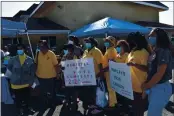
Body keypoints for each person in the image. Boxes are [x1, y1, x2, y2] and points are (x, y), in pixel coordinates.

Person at [142, 28, 173, 116]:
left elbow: (160, 73)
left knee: (153, 114)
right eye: (149, 35)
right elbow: (151, 70)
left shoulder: (163, 51)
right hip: (154, 86)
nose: (149, 37)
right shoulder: (155, 51)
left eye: (152, 35)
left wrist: (147, 85)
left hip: (160, 87)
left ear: (160, 37)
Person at [7, 44, 36, 116]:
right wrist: (11, 79)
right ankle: (19, 110)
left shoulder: (29, 59)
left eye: (21, 49)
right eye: (18, 49)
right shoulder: (12, 59)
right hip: (16, 84)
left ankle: (28, 108)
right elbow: (9, 70)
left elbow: (32, 72)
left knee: (27, 97)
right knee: (18, 99)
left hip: (26, 83)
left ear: (24, 49)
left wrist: (31, 81)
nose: (19, 50)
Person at [126, 32, 149, 116]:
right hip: (132, 85)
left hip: (141, 86)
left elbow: (146, 69)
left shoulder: (144, 52)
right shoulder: (132, 51)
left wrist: (134, 64)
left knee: (139, 109)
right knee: (135, 108)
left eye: (131, 41)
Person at [80, 37, 104, 115]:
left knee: (96, 92)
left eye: (88, 42)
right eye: (86, 42)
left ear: (93, 43)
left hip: (95, 76)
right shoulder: (86, 51)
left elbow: (100, 64)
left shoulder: (97, 51)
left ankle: (97, 108)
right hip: (87, 76)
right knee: (89, 92)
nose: (86, 44)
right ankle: (92, 105)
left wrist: (100, 75)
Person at [36, 40, 60, 116]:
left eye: (42, 46)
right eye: (39, 46)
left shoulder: (51, 54)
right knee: (42, 93)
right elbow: (36, 64)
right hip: (40, 76)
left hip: (50, 77)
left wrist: (58, 74)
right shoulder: (37, 53)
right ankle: (43, 105)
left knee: (51, 93)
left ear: (46, 46)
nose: (40, 48)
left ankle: (51, 105)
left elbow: (56, 65)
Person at [102, 36, 118, 108]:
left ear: (111, 42)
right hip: (107, 72)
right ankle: (112, 102)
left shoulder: (111, 50)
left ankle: (112, 104)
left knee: (111, 88)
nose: (105, 43)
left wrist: (103, 70)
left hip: (109, 72)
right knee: (110, 88)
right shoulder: (109, 50)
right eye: (105, 41)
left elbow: (111, 63)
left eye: (107, 41)